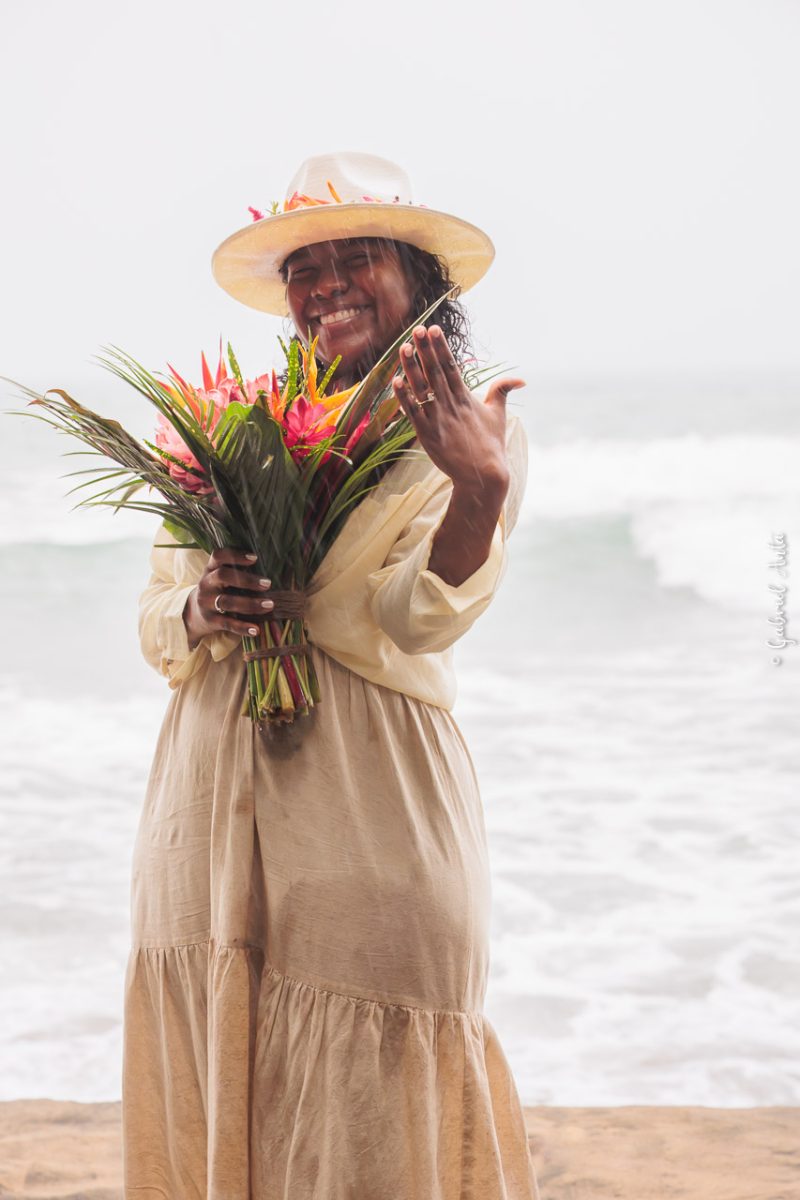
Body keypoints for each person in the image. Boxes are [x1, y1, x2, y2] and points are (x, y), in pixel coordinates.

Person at [123, 151, 541, 1200]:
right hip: (210, 810)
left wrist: (478, 493)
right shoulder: (229, 424)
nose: (329, 284)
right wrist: (199, 602)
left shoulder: (461, 429)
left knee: (367, 1107)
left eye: (361, 256)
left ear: (419, 278)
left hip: (367, 812)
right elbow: (156, 622)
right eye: (309, 265)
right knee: (224, 1076)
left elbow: (414, 618)